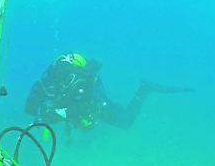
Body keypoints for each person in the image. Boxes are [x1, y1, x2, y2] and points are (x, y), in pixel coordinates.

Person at [25, 52, 191, 133]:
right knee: (122, 120)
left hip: (94, 104)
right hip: (86, 103)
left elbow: (83, 105)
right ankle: (145, 88)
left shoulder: (70, 82)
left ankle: (144, 88)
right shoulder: (51, 83)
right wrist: (45, 114)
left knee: (125, 121)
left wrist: (54, 115)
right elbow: (31, 108)